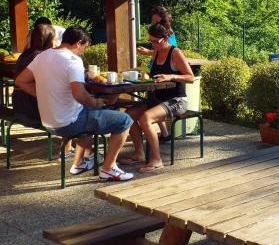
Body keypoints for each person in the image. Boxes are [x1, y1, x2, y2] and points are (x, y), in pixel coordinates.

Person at [15, 26, 134, 181]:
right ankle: (108, 168)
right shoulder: (73, 60)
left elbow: (20, 81)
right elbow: (79, 95)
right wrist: (94, 102)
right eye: (84, 47)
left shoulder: (42, 56)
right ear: (78, 43)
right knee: (125, 120)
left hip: (48, 122)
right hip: (68, 122)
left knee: (88, 113)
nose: (83, 52)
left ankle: (79, 163)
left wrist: (45, 95)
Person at [121, 22, 194, 172]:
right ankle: (139, 153)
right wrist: (145, 77)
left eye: (156, 41)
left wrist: (171, 76)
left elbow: (190, 77)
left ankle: (156, 160)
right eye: (151, 41)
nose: (153, 45)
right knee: (128, 116)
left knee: (146, 118)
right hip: (157, 99)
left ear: (166, 38)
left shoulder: (175, 53)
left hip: (177, 101)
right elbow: (154, 74)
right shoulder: (155, 52)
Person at [137, 6, 177, 143]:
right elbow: (158, 49)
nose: (154, 23)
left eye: (156, 20)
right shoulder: (163, 31)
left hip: (164, 75)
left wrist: (147, 52)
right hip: (156, 70)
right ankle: (164, 134)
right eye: (153, 21)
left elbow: (164, 51)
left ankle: (162, 138)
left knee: (149, 111)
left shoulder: (168, 35)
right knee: (151, 102)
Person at [13, 24, 56, 128]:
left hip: (19, 109)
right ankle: (68, 143)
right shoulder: (40, 57)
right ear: (48, 40)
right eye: (55, 39)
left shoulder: (26, 54)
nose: (56, 42)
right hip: (33, 113)